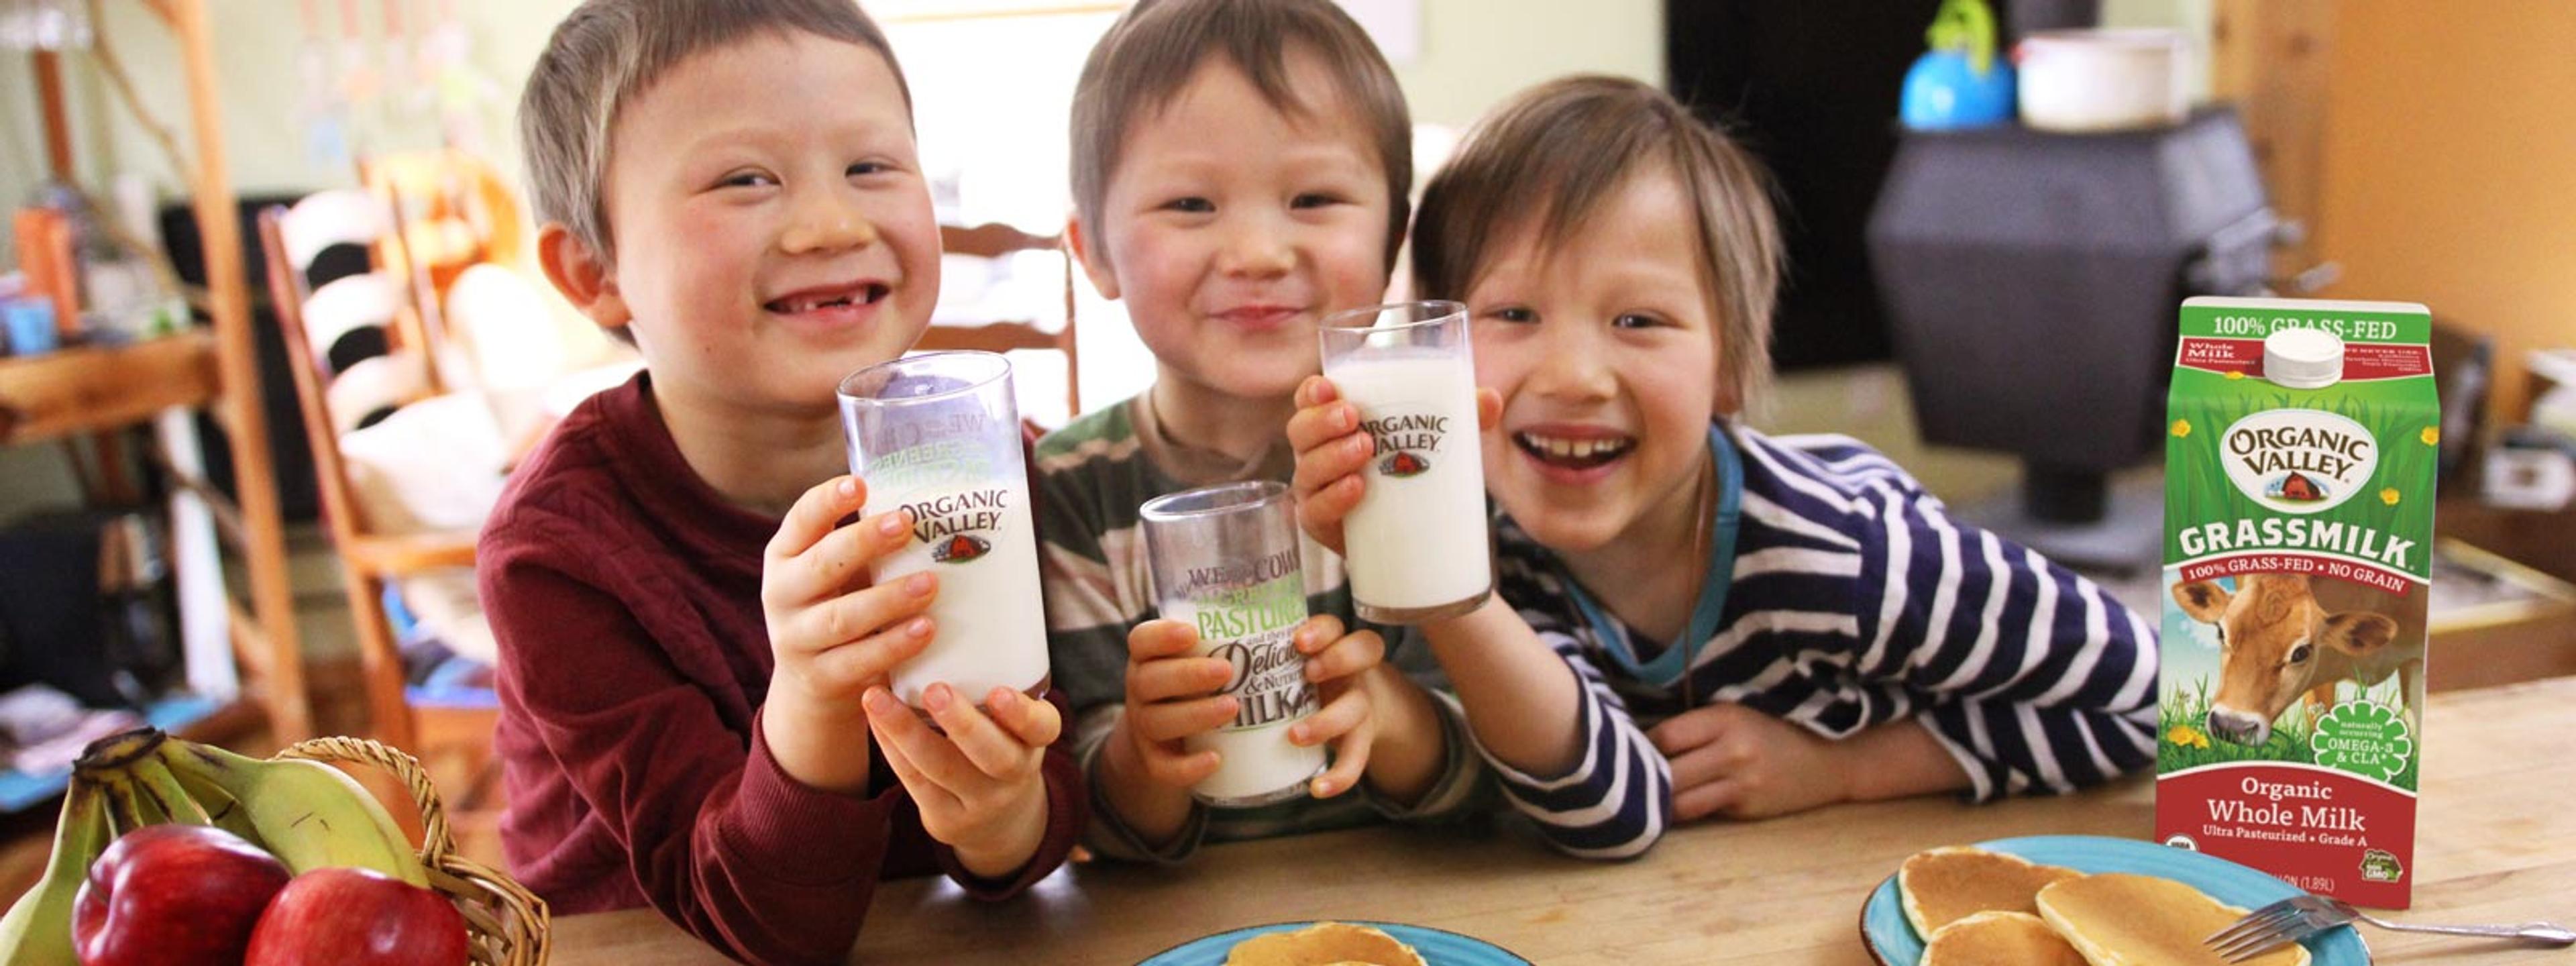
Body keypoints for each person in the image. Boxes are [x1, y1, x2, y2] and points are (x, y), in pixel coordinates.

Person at [1288, 75, 2159, 859]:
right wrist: (1440, 575)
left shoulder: (1853, 555)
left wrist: (1848, 768)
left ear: (1732, 369)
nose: (1574, 379)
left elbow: (2156, 700)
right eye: (1514, 312)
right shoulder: (1504, 542)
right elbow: (1611, 810)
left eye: (1639, 321)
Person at [480, 2, 1081, 960]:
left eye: (871, 166)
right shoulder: (558, 551)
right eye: (745, 179)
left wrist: (1005, 818)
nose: (831, 223)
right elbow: (761, 927)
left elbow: (1046, 801)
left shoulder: (997, 472)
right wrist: (812, 699)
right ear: (594, 270)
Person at [1037, 0, 1487, 863]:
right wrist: (1145, 751)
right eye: (1191, 203)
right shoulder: (1069, 489)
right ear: (1090, 248)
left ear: (1394, 237)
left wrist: (1390, 715)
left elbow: (1496, 769)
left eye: (1312, 198)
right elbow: (1092, 816)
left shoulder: (1417, 455)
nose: (1256, 252)